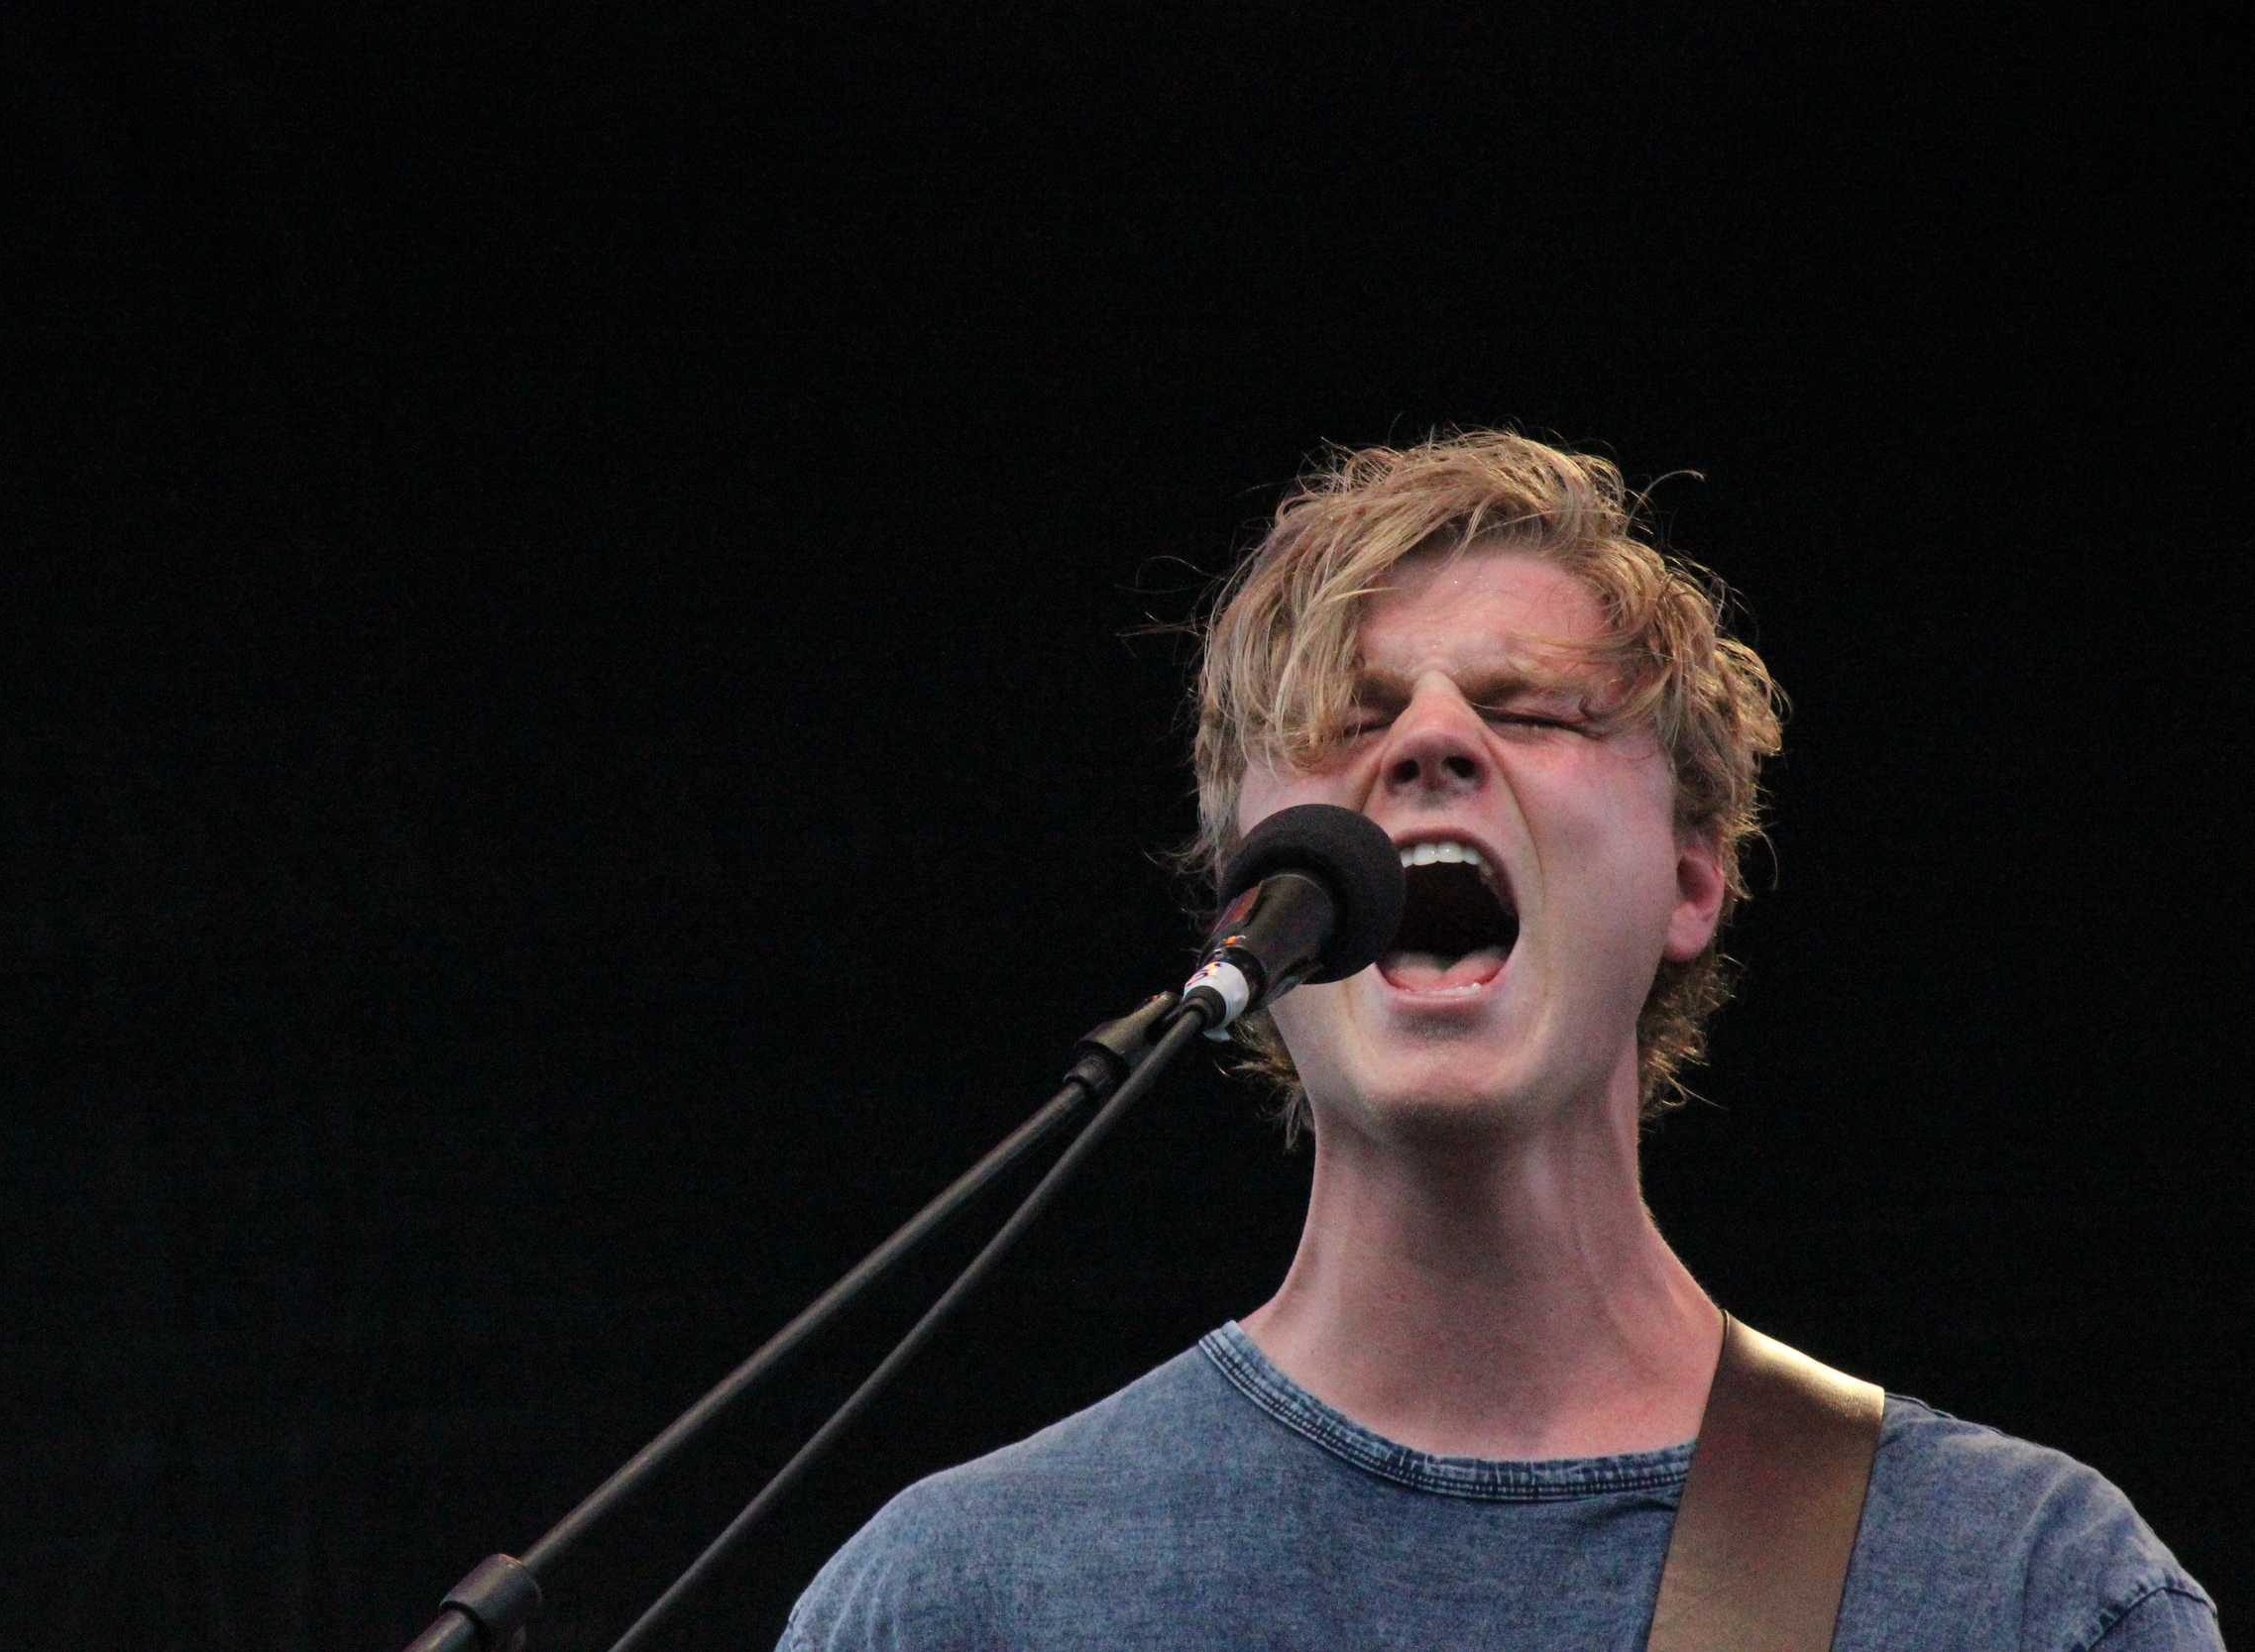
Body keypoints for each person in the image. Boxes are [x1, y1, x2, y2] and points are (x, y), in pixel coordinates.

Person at [776, 431, 2220, 1649]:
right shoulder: (959, 1601)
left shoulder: (2025, 1588)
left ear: (1691, 876)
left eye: (1529, 709)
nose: (1432, 742)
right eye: (1352, 720)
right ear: (1249, 904)